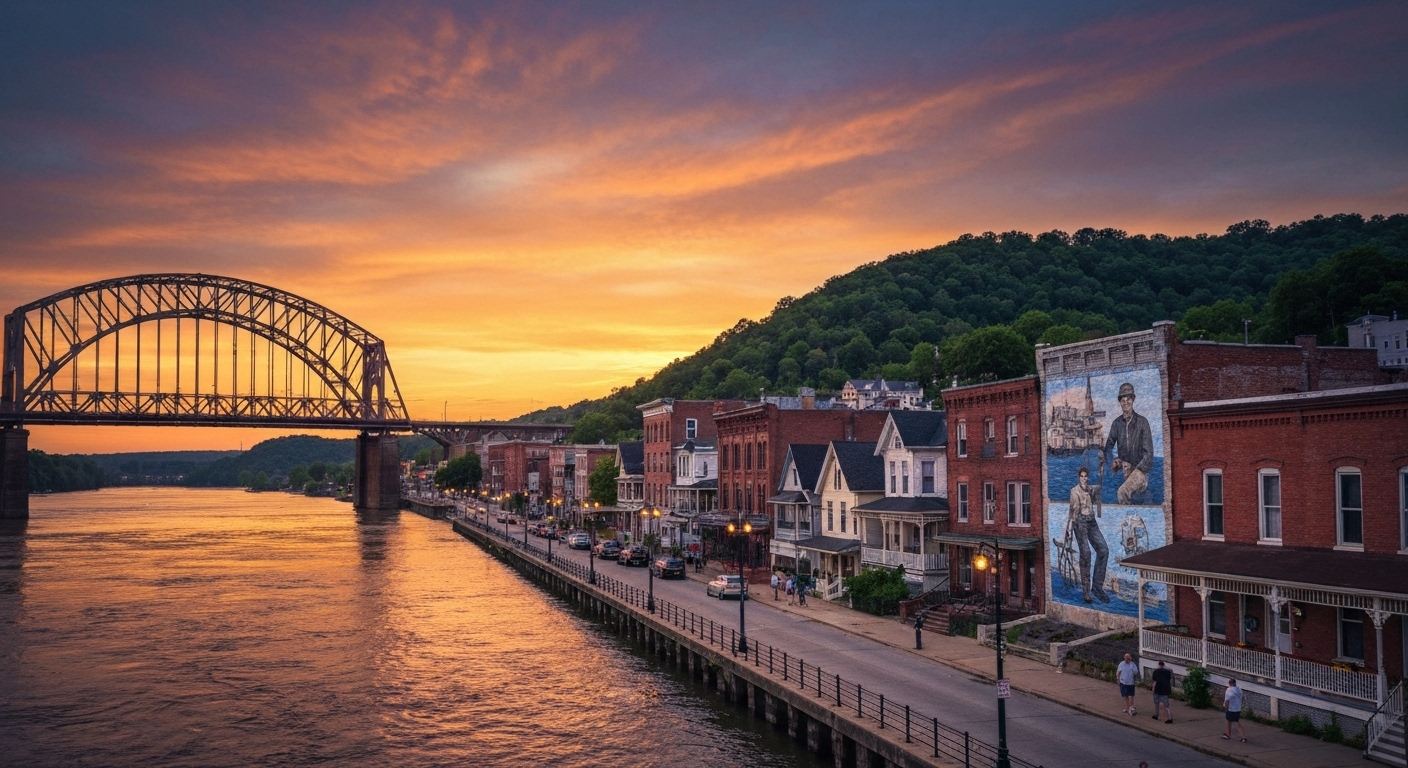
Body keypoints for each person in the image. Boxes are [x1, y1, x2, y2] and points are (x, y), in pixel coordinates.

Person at [1105, 382, 1155, 505]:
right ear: (1120, 402)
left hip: (1141, 472)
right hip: (1125, 470)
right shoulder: (1116, 424)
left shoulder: (1142, 422)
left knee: (1122, 492)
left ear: (1133, 400)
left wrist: (1138, 471)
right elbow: (1108, 446)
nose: (1126, 402)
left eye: (1128, 399)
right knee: (1130, 500)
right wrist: (1114, 460)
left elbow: (1149, 454)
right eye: (1123, 400)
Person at [1068, 467, 1110, 603]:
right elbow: (1073, 511)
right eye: (1082, 476)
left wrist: (1102, 472)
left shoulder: (1091, 489)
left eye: (1086, 476)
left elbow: (1099, 487)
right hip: (1079, 522)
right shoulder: (1074, 491)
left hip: (1091, 521)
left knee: (1103, 549)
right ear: (1078, 477)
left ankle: (1097, 587)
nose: (1084, 478)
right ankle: (1086, 592)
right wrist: (1070, 528)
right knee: (1086, 553)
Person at [1222, 678, 1247, 742]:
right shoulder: (1239, 690)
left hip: (1231, 709)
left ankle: (1228, 734)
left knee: (1228, 721)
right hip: (1238, 709)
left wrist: (1224, 705)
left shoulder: (1229, 690)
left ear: (1229, 683)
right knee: (1238, 722)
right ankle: (1243, 737)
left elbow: (1227, 701)